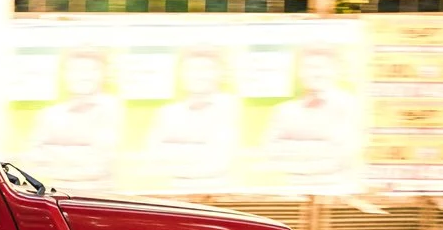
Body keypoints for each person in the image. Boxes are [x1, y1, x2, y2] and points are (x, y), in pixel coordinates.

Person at [142, 47, 243, 189]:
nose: (199, 75)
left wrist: (176, 153)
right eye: (192, 69)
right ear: (182, 74)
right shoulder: (167, 113)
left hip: (217, 194)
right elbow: (154, 159)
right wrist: (199, 152)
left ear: (219, 74)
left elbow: (218, 163)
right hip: (175, 193)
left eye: (206, 69)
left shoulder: (229, 107)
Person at [261, 46, 363, 183]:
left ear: (336, 71)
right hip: (292, 193)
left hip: (336, 194)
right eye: (309, 67)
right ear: (299, 73)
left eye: (321, 67)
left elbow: (342, 157)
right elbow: (270, 154)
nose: (315, 73)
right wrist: (321, 148)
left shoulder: (352, 106)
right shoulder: (284, 111)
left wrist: (292, 150)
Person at [25, 49, 123, 187]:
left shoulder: (109, 109)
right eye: (76, 70)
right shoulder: (49, 115)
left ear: (102, 75)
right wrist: (80, 157)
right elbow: (34, 163)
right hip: (56, 198)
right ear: (65, 75)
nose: (84, 76)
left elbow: (99, 166)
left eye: (91, 70)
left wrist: (55, 156)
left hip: (96, 198)